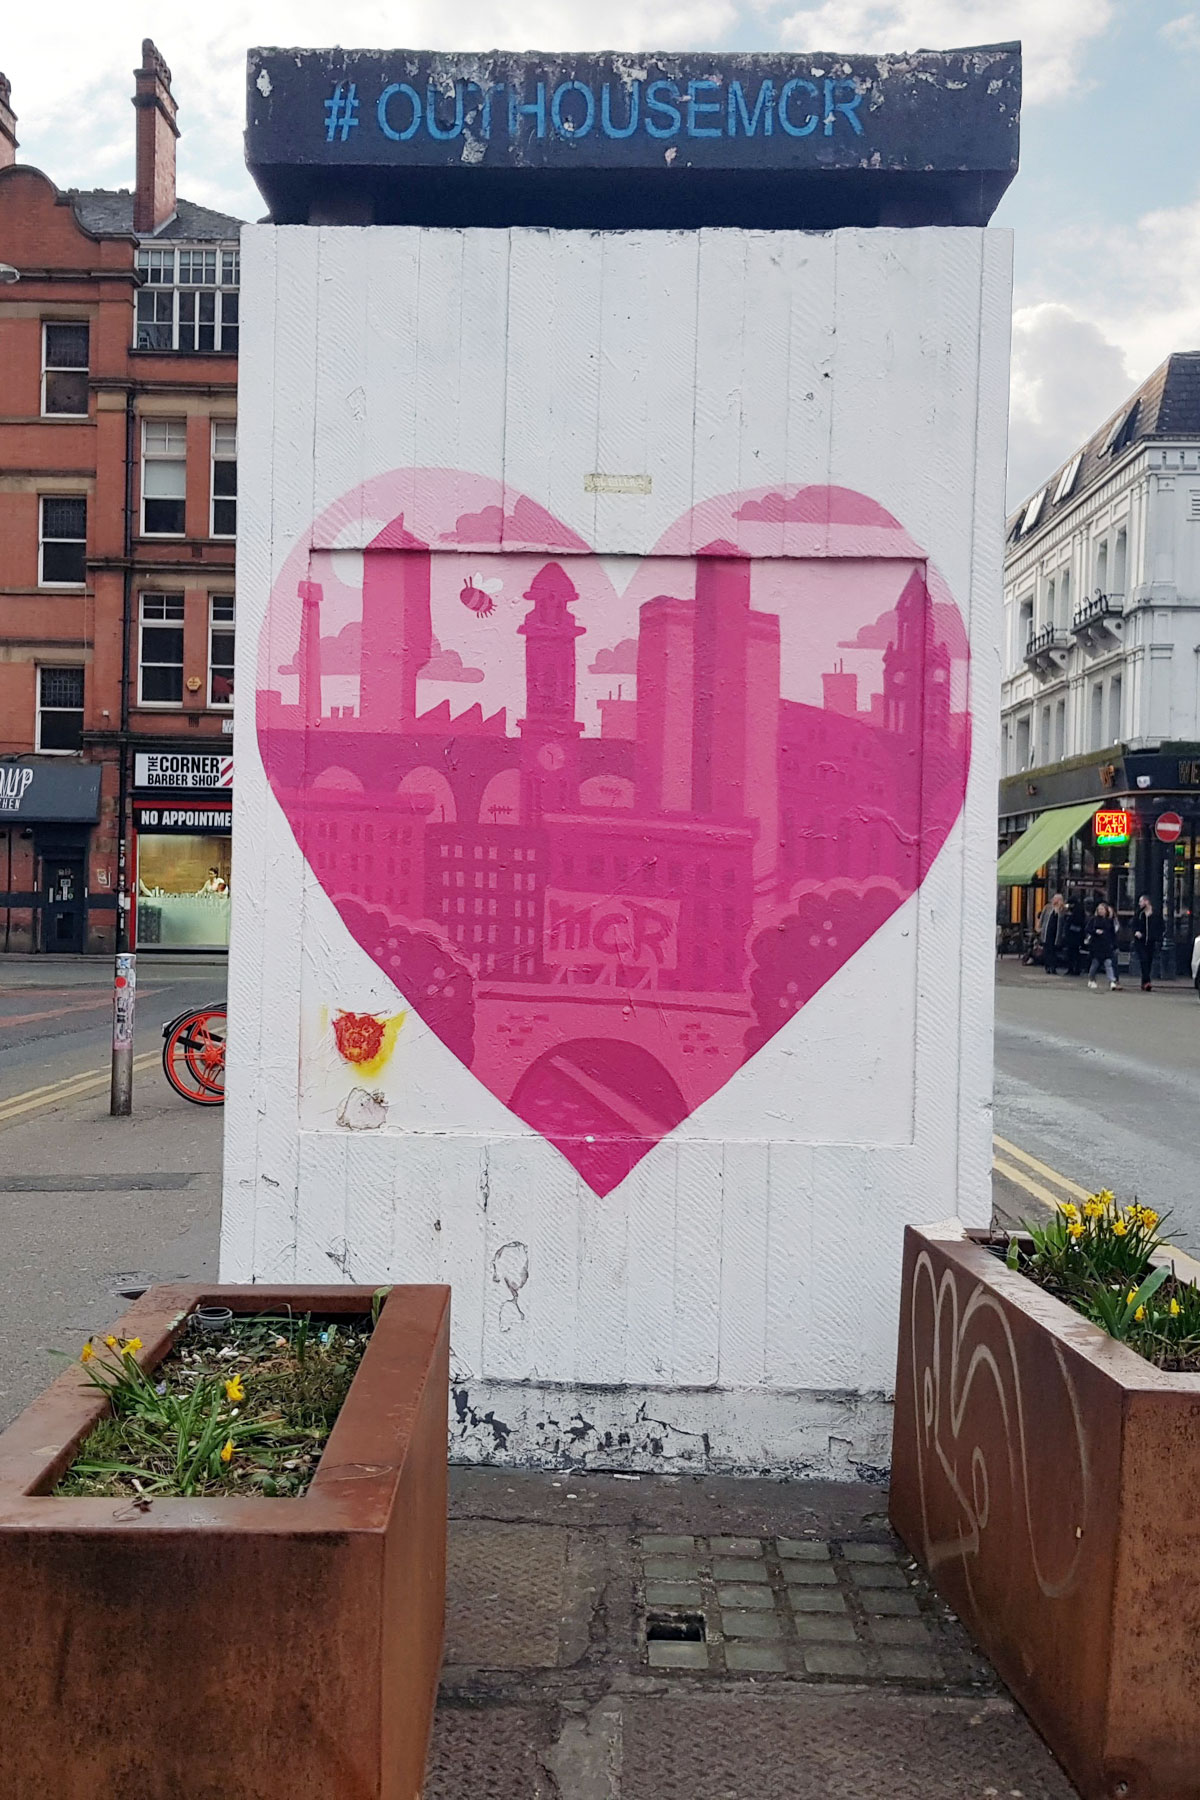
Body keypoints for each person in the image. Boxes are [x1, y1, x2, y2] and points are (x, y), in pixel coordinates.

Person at [1085, 902, 1120, 991]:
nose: (1100, 911)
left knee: (1108, 963)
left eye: (1102, 909)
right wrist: (1095, 931)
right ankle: (1091, 979)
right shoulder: (1094, 919)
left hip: (1106, 946)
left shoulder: (1109, 921)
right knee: (1095, 964)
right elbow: (1087, 929)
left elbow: (1112, 934)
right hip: (1096, 946)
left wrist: (1114, 945)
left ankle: (1112, 981)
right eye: (1099, 909)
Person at [1131, 894, 1161, 992]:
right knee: (1144, 960)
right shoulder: (1139, 913)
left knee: (1149, 961)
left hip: (1151, 942)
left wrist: (1156, 936)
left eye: (1141, 901)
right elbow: (1133, 924)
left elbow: (1161, 926)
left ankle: (1144, 983)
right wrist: (1136, 932)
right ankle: (1147, 982)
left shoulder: (1155, 914)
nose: (1139, 904)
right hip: (1140, 941)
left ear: (1146, 902)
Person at [1038, 893, 1066, 974]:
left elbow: (1063, 920)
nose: (1055, 900)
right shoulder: (1047, 907)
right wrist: (1039, 926)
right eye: (1054, 898)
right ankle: (1048, 966)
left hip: (1056, 933)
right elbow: (1042, 917)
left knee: (1054, 951)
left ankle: (1053, 967)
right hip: (1047, 931)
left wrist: (1059, 910)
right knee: (1046, 950)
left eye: (1057, 899)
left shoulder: (1062, 909)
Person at [1065, 892, 1085, 977]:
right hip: (1077, 936)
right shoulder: (1079, 909)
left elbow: (1075, 921)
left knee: (1072, 953)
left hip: (1073, 936)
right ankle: (1075, 968)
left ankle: (1073, 968)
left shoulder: (1076, 911)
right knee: (1075, 953)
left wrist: (1069, 918)